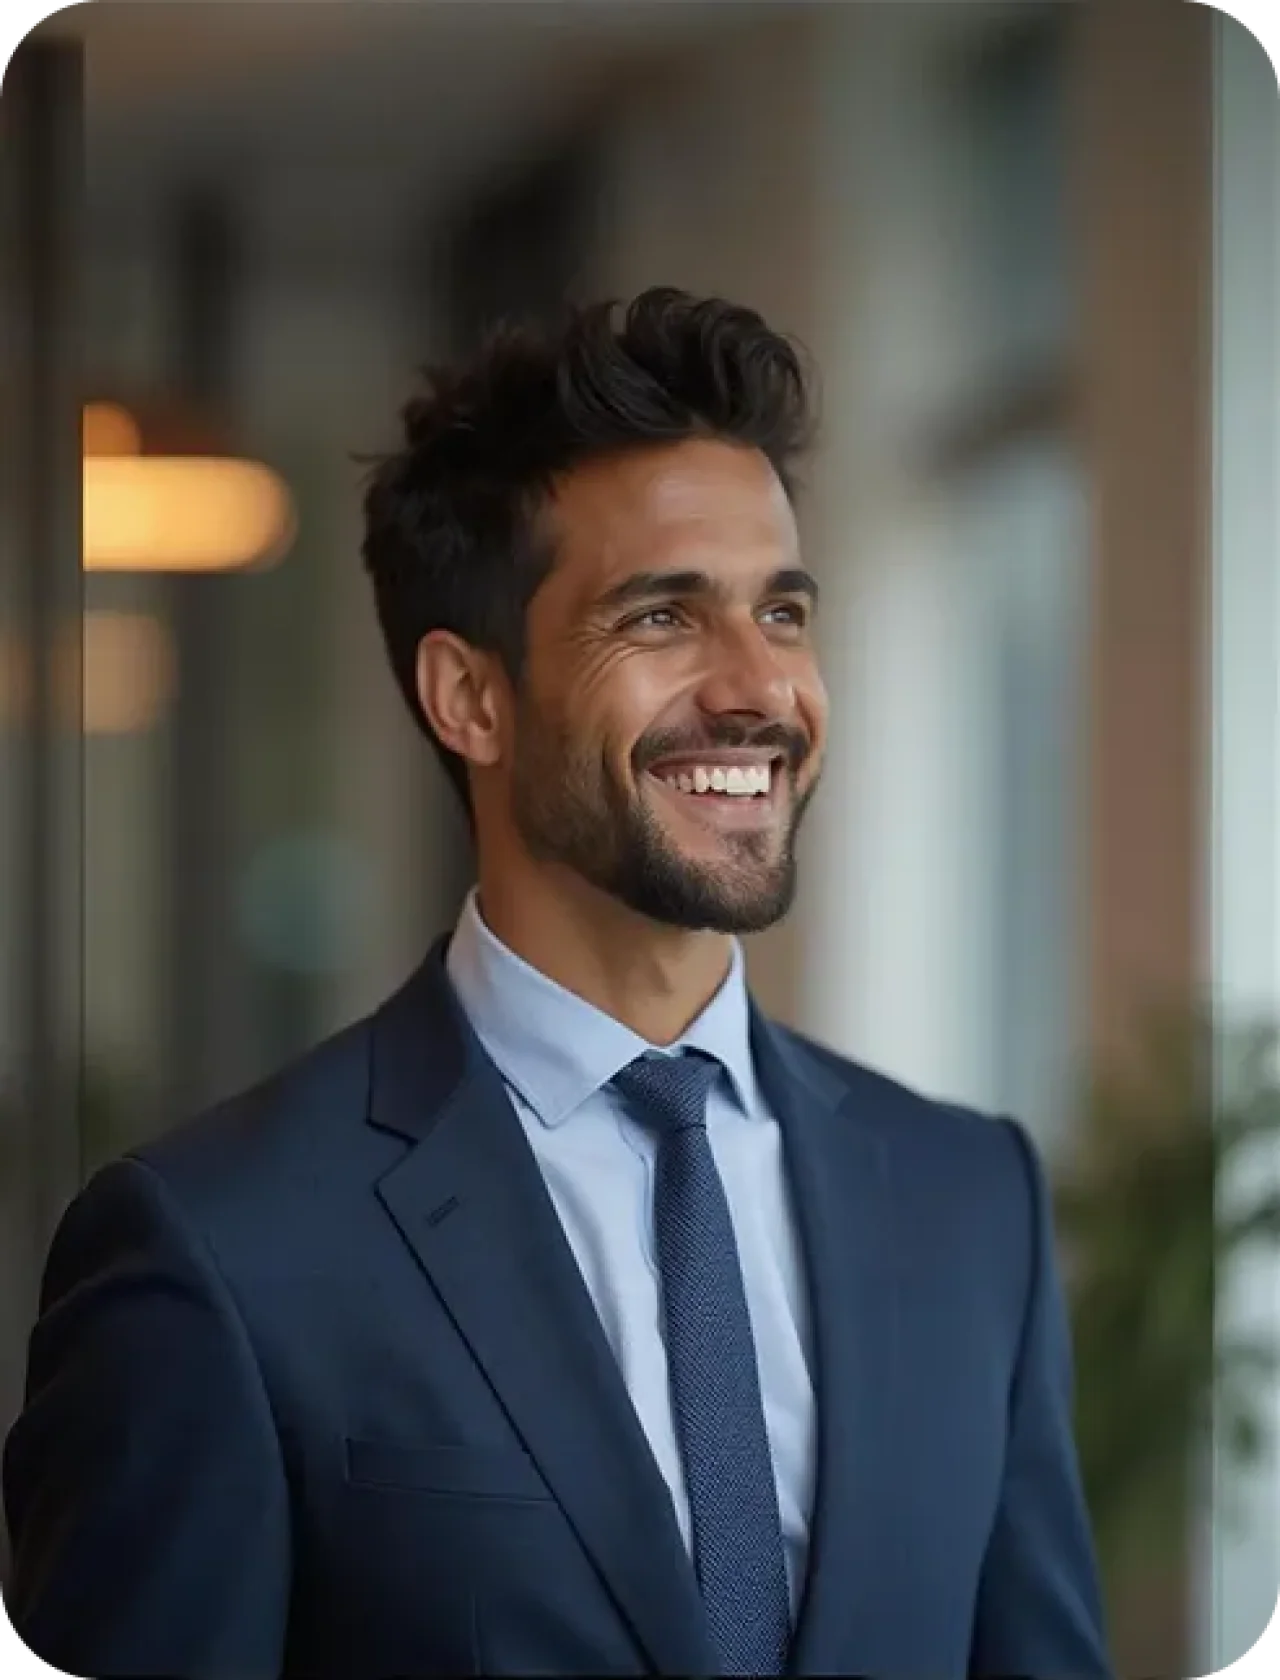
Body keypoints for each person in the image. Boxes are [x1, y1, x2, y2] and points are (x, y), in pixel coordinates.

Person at [3, 288, 1111, 1678]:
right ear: (468, 697)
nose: (758, 686)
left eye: (782, 609)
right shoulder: (219, 1247)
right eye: (663, 618)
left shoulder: (971, 1206)